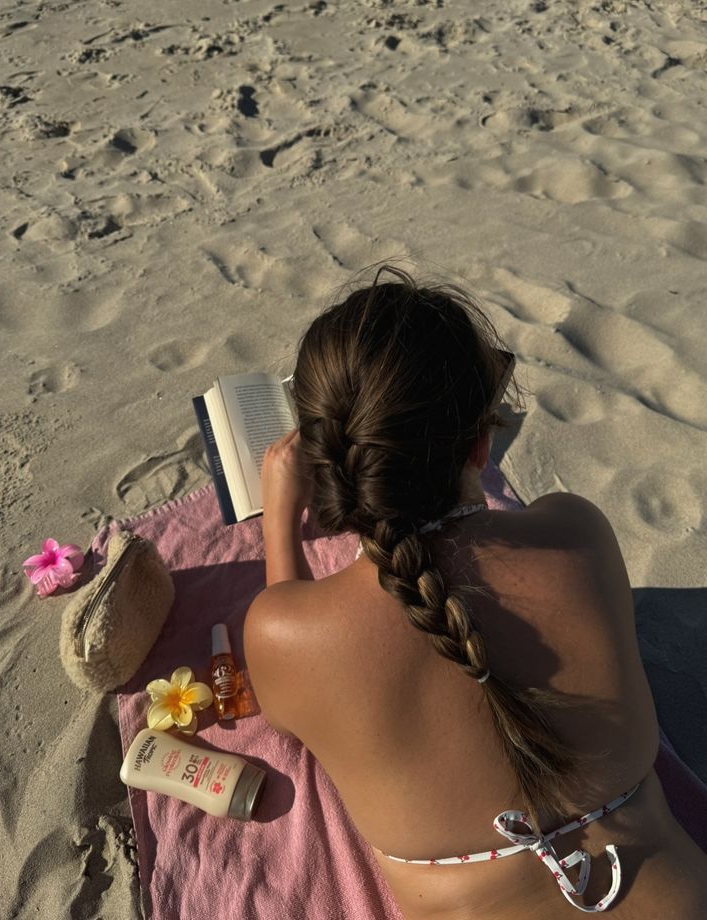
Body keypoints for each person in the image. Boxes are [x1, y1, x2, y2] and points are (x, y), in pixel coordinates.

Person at [244, 264, 707, 919]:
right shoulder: (577, 534)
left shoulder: (286, 632)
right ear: (483, 442)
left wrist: (277, 526)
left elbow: (286, 692)